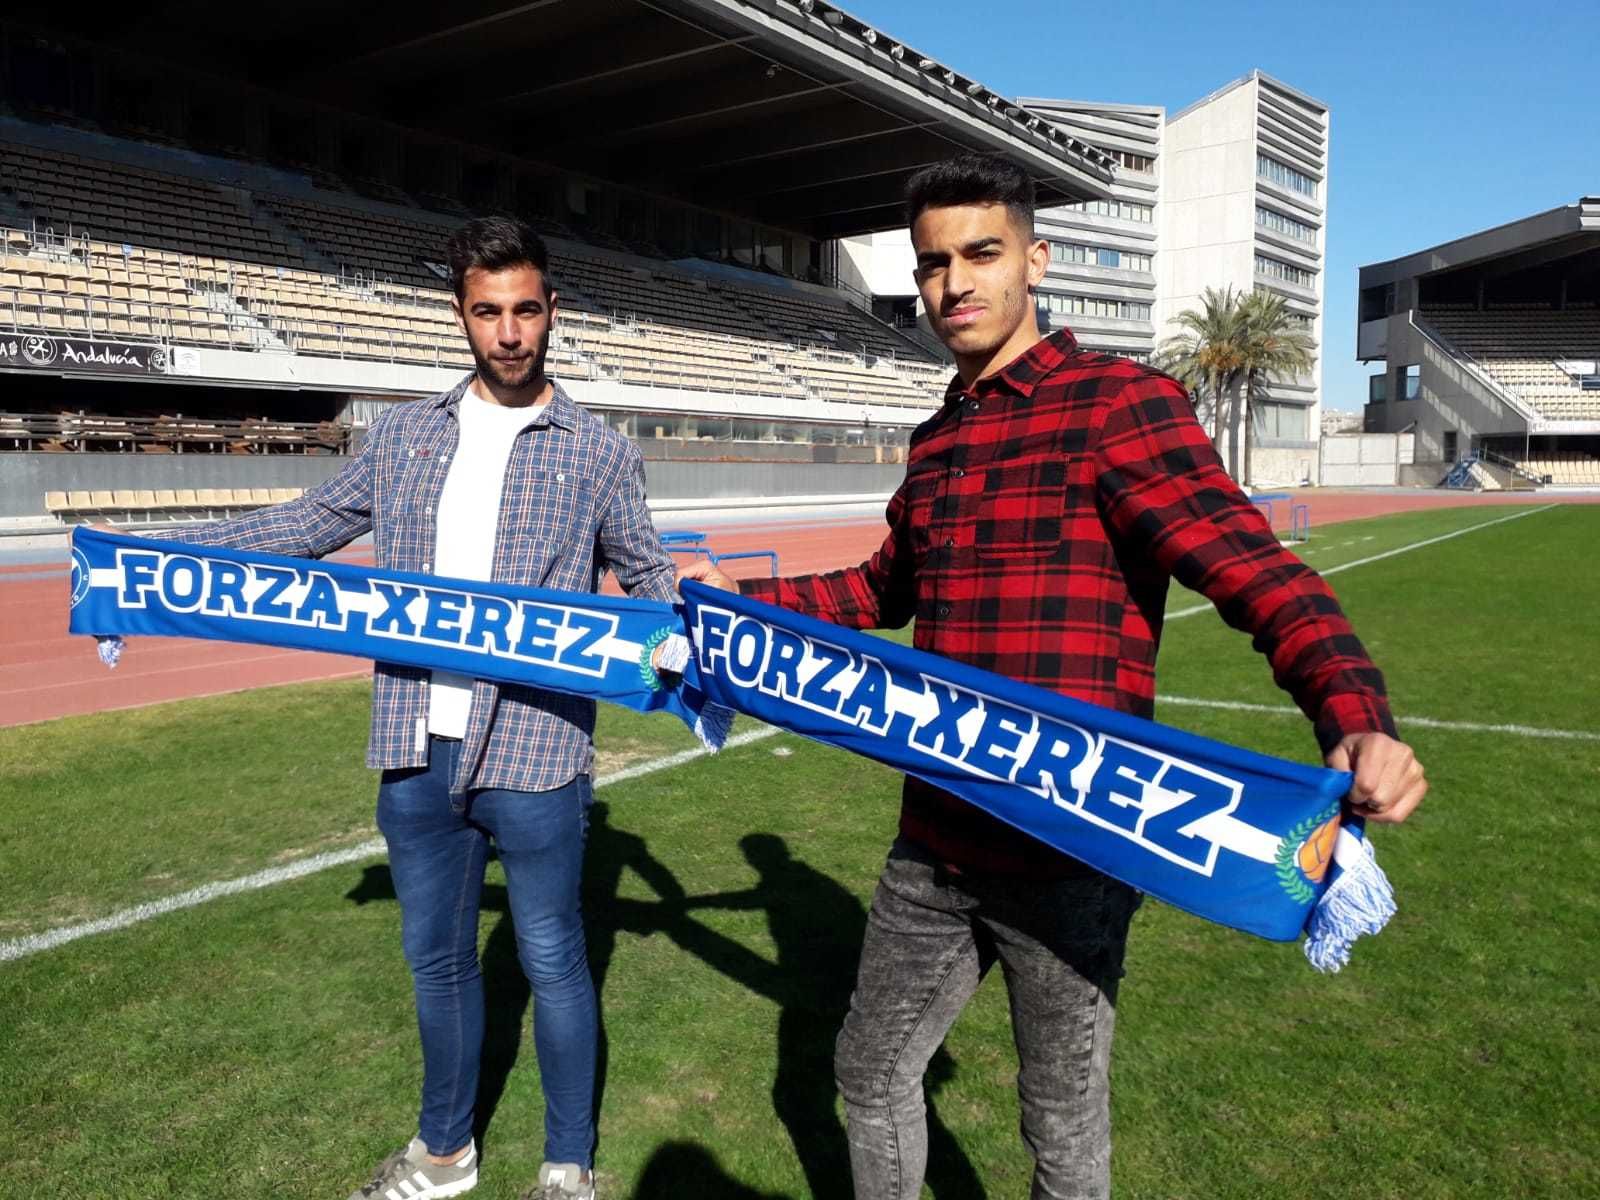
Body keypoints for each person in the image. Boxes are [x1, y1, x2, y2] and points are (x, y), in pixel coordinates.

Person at [678, 154, 1427, 1200]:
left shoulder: (1118, 404)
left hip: (1072, 847)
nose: (954, 284)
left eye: (980, 254)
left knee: (1060, 1130)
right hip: (933, 838)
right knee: (867, 1070)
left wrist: (1354, 714)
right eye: (932, 263)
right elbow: (879, 586)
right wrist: (740, 600)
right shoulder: (936, 436)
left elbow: (1256, 574)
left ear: (1035, 260)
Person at [151, 215, 672, 1200]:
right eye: (489, 313)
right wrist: (169, 555)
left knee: (554, 958)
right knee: (436, 962)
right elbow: (305, 525)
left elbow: (647, 575)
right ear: (460, 315)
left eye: (526, 310)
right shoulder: (401, 434)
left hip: (537, 748)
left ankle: (568, 1169)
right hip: (413, 747)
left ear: (552, 310)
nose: (510, 333)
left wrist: (695, 631)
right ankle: (445, 1154)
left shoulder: (600, 451)